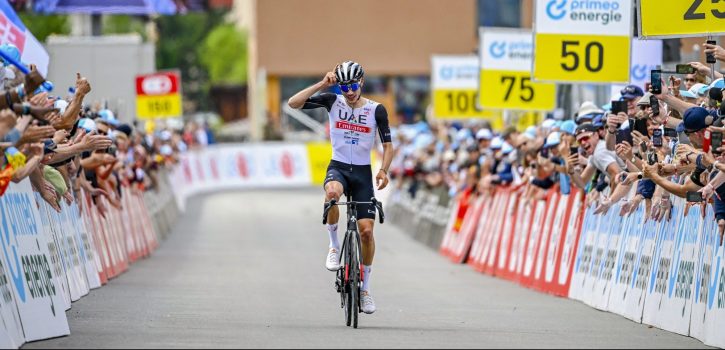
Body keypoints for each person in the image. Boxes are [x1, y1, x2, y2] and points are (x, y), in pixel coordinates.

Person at [287, 61, 394, 314]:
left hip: (362, 174)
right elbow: (293, 103)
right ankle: (334, 246)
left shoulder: (376, 110)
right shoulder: (331, 101)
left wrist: (384, 170)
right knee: (332, 194)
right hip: (338, 167)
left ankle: (365, 289)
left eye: (354, 85)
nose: (349, 91)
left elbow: (387, 145)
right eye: (344, 86)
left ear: (362, 82)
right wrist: (323, 84)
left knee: (367, 232)